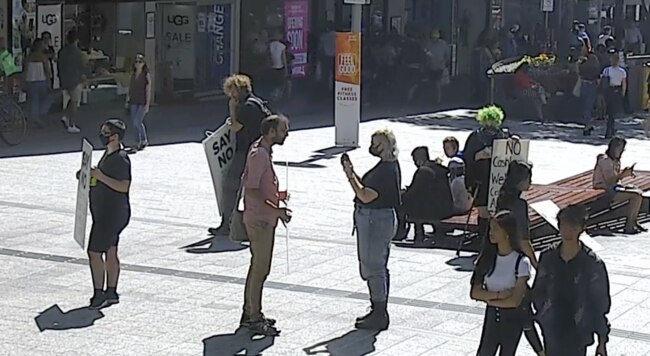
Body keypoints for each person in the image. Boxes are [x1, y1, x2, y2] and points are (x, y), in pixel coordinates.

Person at [341, 129, 401, 330]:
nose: (373, 147)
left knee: (373, 266)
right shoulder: (388, 165)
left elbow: (366, 195)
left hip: (376, 220)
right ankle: (378, 307)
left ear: (386, 145)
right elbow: (365, 185)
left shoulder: (386, 170)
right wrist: (352, 171)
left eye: (376, 143)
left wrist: (349, 177)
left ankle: (379, 312)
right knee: (377, 266)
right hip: (377, 219)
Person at [533, 205, 611, 356]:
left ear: (582, 229)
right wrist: (542, 313)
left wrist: (602, 340)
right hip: (552, 325)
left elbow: (600, 302)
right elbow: (538, 289)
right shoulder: (548, 257)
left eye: (573, 227)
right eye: (564, 227)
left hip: (579, 329)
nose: (568, 232)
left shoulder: (591, 263)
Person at [240, 115, 291, 336]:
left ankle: (250, 311)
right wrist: (277, 210)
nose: (286, 134)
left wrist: (278, 195)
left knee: (257, 267)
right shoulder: (259, 154)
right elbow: (251, 189)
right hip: (260, 219)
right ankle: (254, 318)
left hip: (261, 216)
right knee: (261, 269)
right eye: (283, 130)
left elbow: (258, 185)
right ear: (271, 132)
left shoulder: (259, 149)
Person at [208, 74, 271, 237]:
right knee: (253, 188)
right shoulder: (257, 102)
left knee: (231, 185)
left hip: (246, 151)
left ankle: (227, 223)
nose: (232, 96)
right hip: (258, 151)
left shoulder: (247, 107)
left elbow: (236, 126)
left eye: (232, 92)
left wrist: (232, 108)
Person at [496, 161, 545, 355]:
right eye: (528, 179)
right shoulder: (519, 205)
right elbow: (524, 240)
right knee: (525, 311)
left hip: (501, 261)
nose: (530, 183)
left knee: (519, 313)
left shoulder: (501, 199)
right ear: (520, 180)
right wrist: (537, 265)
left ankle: (541, 351)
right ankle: (542, 352)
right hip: (516, 265)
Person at [470, 210, 531, 356]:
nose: (491, 232)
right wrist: (499, 295)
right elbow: (474, 293)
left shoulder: (521, 262)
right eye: (491, 228)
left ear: (507, 232)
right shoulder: (487, 258)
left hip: (512, 320)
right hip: (492, 317)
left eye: (496, 229)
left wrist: (489, 300)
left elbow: (515, 301)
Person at [84, 119, 131, 309]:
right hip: (108, 212)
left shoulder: (120, 158)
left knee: (94, 252)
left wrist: (100, 176)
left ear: (115, 137)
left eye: (106, 132)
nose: (102, 135)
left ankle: (99, 293)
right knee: (111, 250)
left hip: (110, 215)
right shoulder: (108, 154)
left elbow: (124, 185)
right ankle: (111, 291)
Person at [463, 106, 512, 243]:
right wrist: (478, 155)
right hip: (481, 178)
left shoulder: (502, 135)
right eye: (487, 120)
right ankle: (482, 238)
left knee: (496, 210)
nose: (490, 124)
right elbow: (468, 156)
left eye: (493, 120)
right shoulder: (476, 136)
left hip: (498, 178)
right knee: (483, 210)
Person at [593, 137, 646, 234]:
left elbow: (614, 179)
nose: (621, 152)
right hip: (604, 190)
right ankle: (629, 225)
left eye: (622, 149)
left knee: (637, 191)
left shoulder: (615, 161)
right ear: (612, 148)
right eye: (619, 149)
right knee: (635, 196)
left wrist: (624, 175)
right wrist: (622, 175)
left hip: (613, 188)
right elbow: (609, 182)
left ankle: (633, 221)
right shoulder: (606, 161)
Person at [400, 147, 439, 244]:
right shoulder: (436, 167)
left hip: (431, 209)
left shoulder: (423, 171)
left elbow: (414, 192)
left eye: (415, 160)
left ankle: (412, 232)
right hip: (441, 205)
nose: (414, 163)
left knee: (406, 201)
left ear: (420, 159)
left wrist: (403, 193)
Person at [57, 30, 85, 133]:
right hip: (75, 80)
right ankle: (71, 124)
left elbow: (59, 65)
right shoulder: (77, 53)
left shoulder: (62, 51)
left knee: (70, 99)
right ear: (77, 40)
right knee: (74, 102)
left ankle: (65, 116)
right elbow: (81, 67)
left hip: (64, 79)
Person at [24, 38, 53, 127]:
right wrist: (49, 84)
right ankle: (39, 114)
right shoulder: (43, 57)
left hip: (30, 80)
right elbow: (47, 71)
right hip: (41, 80)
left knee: (33, 100)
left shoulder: (29, 57)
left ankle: (34, 116)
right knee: (49, 97)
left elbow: (25, 70)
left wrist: (23, 82)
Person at [127, 54, 152, 151]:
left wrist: (147, 104)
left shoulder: (146, 75)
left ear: (144, 63)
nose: (138, 64)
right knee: (135, 122)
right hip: (133, 100)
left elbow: (148, 90)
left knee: (137, 121)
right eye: (136, 61)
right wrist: (127, 100)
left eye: (140, 62)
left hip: (142, 101)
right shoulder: (133, 75)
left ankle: (141, 140)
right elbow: (130, 88)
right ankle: (140, 141)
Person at [577, 38, 601, 136]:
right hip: (583, 83)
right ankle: (587, 123)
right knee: (584, 105)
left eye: (582, 46)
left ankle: (587, 125)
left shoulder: (592, 58)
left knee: (588, 105)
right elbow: (578, 71)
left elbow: (595, 70)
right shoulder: (581, 58)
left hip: (590, 83)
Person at [601, 53, 627, 138]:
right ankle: (611, 128)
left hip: (609, 90)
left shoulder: (607, 70)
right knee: (613, 111)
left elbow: (603, 81)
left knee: (609, 110)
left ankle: (610, 128)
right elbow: (624, 84)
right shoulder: (622, 72)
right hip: (617, 91)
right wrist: (623, 93)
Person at [268, 32, 288, 101]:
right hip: (280, 67)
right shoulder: (282, 46)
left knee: (273, 82)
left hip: (272, 67)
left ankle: (273, 96)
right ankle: (278, 97)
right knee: (280, 83)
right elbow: (283, 59)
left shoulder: (270, 45)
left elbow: (268, 57)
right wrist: (286, 70)